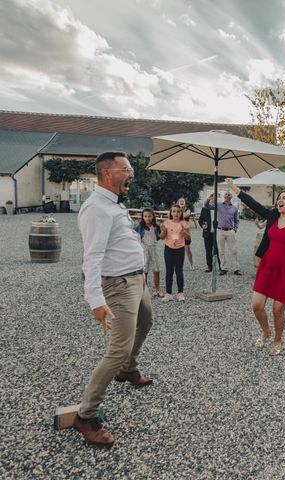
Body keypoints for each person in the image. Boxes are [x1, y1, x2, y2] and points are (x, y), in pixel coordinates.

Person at [75, 152, 153, 447]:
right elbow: (91, 259)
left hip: (137, 279)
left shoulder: (114, 204)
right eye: (127, 169)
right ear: (108, 173)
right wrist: (95, 300)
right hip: (119, 286)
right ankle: (86, 415)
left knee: (146, 323)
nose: (132, 174)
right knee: (117, 349)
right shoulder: (96, 209)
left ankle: (128, 369)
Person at [225, 178, 285, 356]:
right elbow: (253, 204)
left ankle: (278, 339)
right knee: (256, 305)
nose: (280, 200)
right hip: (268, 266)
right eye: (279, 198)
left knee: (277, 309)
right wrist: (235, 188)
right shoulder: (272, 216)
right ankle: (266, 331)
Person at [160, 204, 190, 302]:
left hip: (180, 249)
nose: (176, 213)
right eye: (174, 211)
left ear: (181, 213)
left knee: (179, 271)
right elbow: (162, 237)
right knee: (169, 271)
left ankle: (180, 293)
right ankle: (168, 294)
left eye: (178, 211)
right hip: (168, 248)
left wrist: (184, 232)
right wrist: (163, 230)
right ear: (171, 213)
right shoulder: (167, 223)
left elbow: (188, 238)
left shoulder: (184, 223)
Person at [134, 208, 163, 297]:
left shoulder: (156, 226)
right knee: (145, 270)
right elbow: (133, 235)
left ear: (153, 216)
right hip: (144, 250)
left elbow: (159, 237)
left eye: (149, 216)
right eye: (145, 216)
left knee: (156, 269)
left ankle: (157, 289)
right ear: (142, 217)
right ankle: (144, 290)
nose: (147, 218)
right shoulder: (139, 227)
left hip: (154, 249)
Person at [215, 190, 241, 276]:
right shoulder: (218, 205)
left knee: (234, 250)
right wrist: (209, 199)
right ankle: (224, 268)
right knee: (221, 251)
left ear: (231, 197)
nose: (227, 195)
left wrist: (235, 229)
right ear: (224, 196)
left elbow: (237, 220)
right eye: (226, 194)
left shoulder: (234, 208)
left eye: (229, 194)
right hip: (220, 230)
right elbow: (208, 206)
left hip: (230, 231)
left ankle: (236, 269)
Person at [198, 193, 215, 272]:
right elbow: (200, 220)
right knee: (208, 250)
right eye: (212, 197)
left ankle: (221, 267)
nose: (213, 199)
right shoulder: (205, 208)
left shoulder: (219, 209)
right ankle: (209, 266)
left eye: (215, 198)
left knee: (217, 250)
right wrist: (202, 225)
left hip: (217, 234)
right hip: (207, 233)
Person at [176, 198, 195, 270]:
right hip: (177, 231)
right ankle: (177, 265)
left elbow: (185, 216)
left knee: (187, 250)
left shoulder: (188, 210)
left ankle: (191, 264)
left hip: (186, 232)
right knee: (176, 249)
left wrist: (178, 212)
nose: (181, 202)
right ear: (178, 203)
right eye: (180, 201)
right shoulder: (175, 210)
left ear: (185, 203)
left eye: (183, 201)